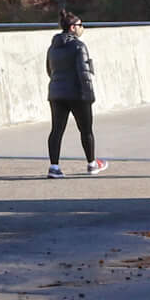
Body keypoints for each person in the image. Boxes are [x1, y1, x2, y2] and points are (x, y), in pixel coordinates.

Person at [45, 12, 106, 178]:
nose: (82, 28)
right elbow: (84, 72)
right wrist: (89, 95)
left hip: (56, 94)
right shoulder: (79, 46)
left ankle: (54, 167)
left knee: (56, 130)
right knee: (86, 130)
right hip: (77, 94)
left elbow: (49, 70)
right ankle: (92, 164)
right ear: (73, 27)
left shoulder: (53, 47)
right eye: (80, 25)